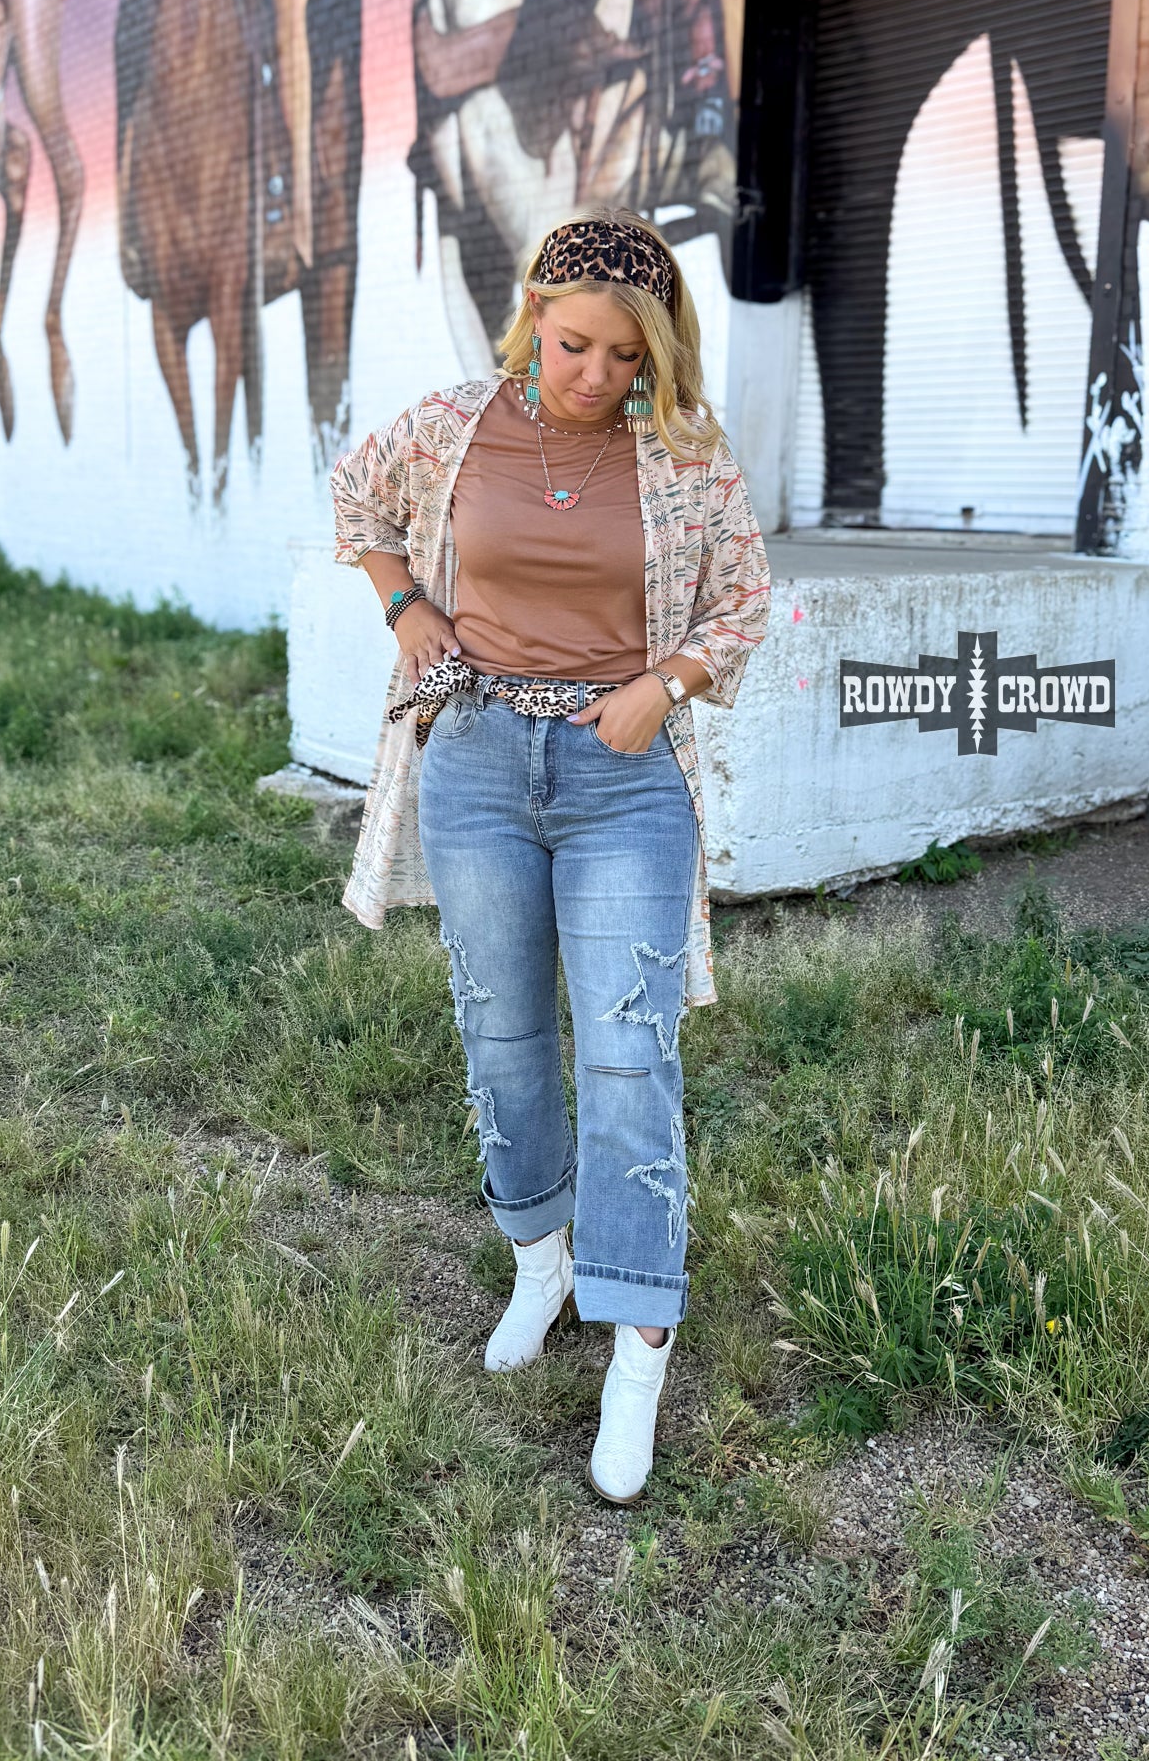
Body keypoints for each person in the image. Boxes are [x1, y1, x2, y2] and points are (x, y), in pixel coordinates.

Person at [329, 206, 771, 1503]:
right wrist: (405, 607)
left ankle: (638, 1339)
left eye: (626, 357)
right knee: (503, 1030)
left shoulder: (683, 454)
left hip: (620, 778)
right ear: (532, 317)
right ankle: (542, 1260)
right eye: (574, 345)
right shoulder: (452, 424)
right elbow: (359, 494)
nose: (595, 375)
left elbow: (744, 600)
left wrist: (665, 685)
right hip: (474, 763)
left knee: (628, 1049)